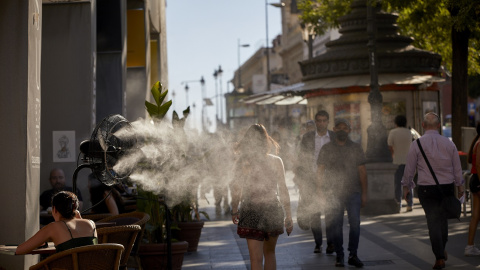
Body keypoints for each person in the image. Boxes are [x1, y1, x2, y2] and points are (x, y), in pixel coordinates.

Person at [402, 112, 464, 269]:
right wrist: (460, 186)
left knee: (433, 221)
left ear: (422, 126)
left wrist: (406, 186)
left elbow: (410, 168)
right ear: (439, 125)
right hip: (447, 188)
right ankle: (441, 250)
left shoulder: (417, 144)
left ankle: (439, 257)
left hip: (426, 190)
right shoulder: (449, 144)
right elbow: (457, 167)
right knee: (442, 221)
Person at [230, 124, 293, 270]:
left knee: (255, 259)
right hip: (272, 209)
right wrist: (288, 215)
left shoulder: (243, 162)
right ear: (266, 141)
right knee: (270, 253)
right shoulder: (276, 161)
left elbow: (236, 189)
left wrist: (234, 209)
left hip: (251, 209)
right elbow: (283, 189)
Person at [317, 118, 368, 268]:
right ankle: (339, 255)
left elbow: (362, 171)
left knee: (355, 224)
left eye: (345, 128)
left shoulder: (356, 148)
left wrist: (364, 193)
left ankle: (353, 254)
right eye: (338, 127)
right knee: (336, 225)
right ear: (334, 129)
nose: (341, 130)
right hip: (333, 193)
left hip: (354, 192)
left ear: (349, 130)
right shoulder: (327, 148)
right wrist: (319, 191)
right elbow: (320, 171)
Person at [295, 110, 335, 254]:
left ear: (328, 121)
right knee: (314, 212)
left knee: (330, 211)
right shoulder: (307, 137)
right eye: (319, 120)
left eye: (324, 120)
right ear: (316, 122)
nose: (322, 123)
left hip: (329, 180)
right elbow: (301, 158)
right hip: (311, 179)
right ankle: (318, 242)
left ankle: (331, 242)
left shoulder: (334, 137)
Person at [16, 191, 97, 254]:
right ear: (75, 209)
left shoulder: (54, 227)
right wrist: (78, 217)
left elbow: (20, 250)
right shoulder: (91, 223)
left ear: (54, 209)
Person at [387, 115, 413, 212]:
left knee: (397, 184)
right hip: (409, 161)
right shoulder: (409, 132)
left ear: (396, 123)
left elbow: (390, 146)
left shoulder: (393, 132)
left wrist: (393, 154)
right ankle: (409, 204)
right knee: (408, 184)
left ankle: (398, 204)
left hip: (397, 161)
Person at [465, 123, 480, 256]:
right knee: (475, 216)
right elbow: (479, 164)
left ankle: (470, 246)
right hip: (479, 181)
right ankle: (470, 247)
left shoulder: (476, 142)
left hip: (475, 180)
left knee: (475, 216)